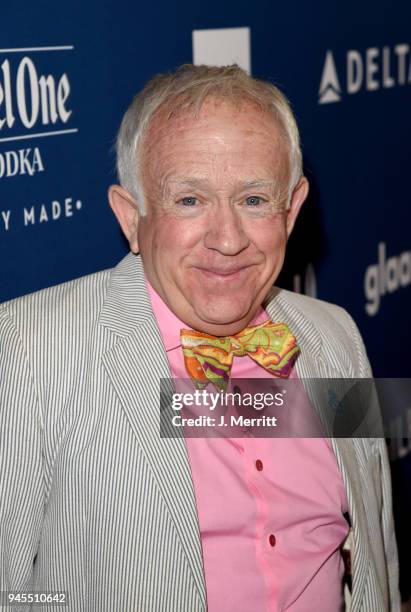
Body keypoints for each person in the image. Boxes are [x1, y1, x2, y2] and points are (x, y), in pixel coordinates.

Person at [0, 64, 399, 611]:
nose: (228, 240)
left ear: (294, 206)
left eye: (254, 200)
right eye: (190, 200)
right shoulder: (27, 349)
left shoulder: (334, 334)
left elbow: (375, 547)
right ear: (131, 216)